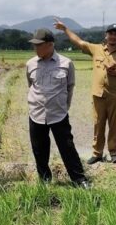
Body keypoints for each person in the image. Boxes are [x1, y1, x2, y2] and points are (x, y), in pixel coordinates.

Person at [53, 19, 116, 164]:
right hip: (98, 94)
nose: (113, 36)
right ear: (106, 35)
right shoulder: (96, 49)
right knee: (98, 124)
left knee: (115, 125)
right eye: (111, 33)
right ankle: (97, 153)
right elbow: (79, 42)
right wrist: (65, 29)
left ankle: (114, 153)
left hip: (115, 96)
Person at [25, 29, 89, 187]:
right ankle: (44, 180)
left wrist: (63, 107)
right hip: (36, 113)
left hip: (58, 114)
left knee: (67, 148)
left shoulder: (66, 64)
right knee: (39, 150)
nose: (36, 49)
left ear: (50, 45)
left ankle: (79, 180)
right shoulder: (30, 64)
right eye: (34, 45)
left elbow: (70, 87)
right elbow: (31, 85)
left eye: (39, 45)